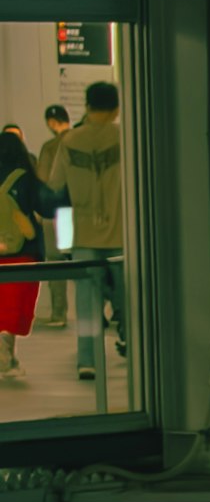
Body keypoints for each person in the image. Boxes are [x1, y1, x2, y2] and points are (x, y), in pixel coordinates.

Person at [44, 84, 121, 393]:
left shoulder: (70, 140)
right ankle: (141, 353)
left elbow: (55, 183)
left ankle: (88, 360)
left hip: (85, 236)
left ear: (87, 106)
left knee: (87, 305)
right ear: (116, 108)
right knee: (133, 303)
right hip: (121, 235)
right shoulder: (125, 137)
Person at [0, 127, 44, 376]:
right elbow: (44, 204)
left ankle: (6, 357)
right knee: (14, 305)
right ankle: (5, 358)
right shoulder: (24, 176)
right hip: (22, 250)